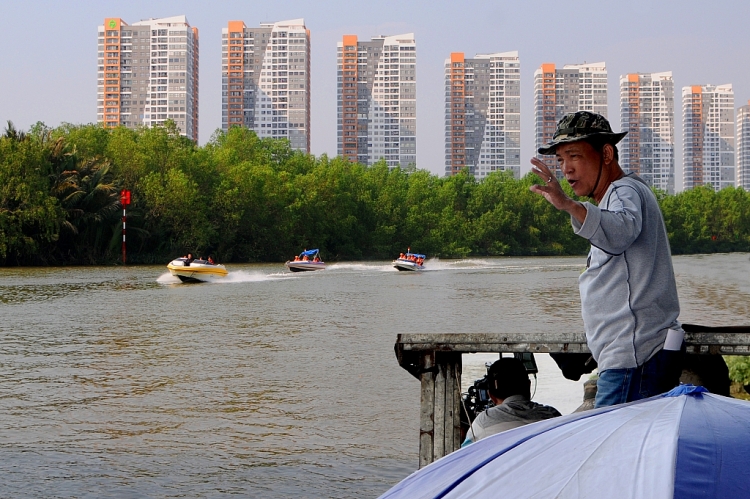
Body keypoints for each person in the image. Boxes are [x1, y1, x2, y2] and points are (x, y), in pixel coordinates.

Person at [529, 111, 684, 408]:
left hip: (633, 358)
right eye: (560, 160)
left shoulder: (623, 191)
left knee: (614, 450)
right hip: (632, 355)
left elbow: (621, 230)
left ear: (607, 154)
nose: (567, 169)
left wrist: (568, 205)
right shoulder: (620, 195)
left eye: (574, 156)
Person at [462, 358, 560, 446]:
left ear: (491, 396)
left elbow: (463, 457)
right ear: (529, 386)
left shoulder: (483, 422)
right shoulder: (552, 415)